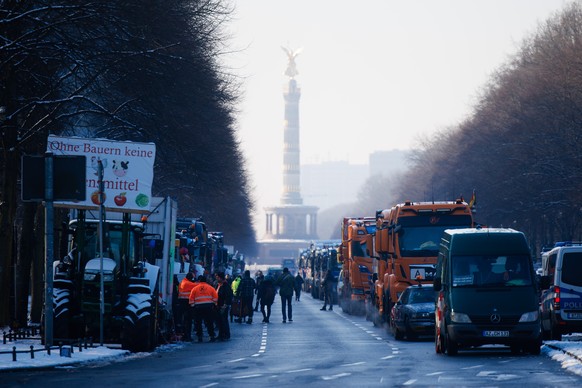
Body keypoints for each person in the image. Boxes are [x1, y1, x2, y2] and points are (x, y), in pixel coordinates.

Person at [189, 275, 218, 342]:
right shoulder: (211, 288)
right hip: (208, 307)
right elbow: (215, 297)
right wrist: (214, 304)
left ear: (199, 281)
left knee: (198, 322)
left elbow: (191, 299)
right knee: (209, 322)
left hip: (198, 307)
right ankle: (212, 336)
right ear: (206, 281)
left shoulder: (195, 289)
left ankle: (200, 337)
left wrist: (193, 306)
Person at [178, 271, 197, 341]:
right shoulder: (188, 283)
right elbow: (198, 286)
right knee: (188, 321)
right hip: (186, 303)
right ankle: (187, 336)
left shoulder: (183, 282)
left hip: (183, 303)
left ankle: (185, 335)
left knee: (186, 320)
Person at [215, 272, 233, 341]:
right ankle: (220, 334)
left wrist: (225, 305)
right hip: (217, 305)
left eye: (217, 277)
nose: (216, 278)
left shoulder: (226, 286)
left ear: (220, 277)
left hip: (223, 305)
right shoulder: (217, 285)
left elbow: (228, 296)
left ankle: (226, 334)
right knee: (219, 321)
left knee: (224, 320)